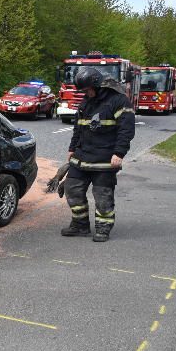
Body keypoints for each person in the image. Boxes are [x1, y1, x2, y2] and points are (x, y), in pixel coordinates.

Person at [61, 67, 135, 242]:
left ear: (97, 85)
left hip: (105, 159)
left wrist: (119, 153)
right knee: (72, 189)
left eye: (87, 90)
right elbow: (78, 128)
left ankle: (103, 227)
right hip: (82, 156)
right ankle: (80, 225)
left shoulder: (118, 101)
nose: (85, 93)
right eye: (83, 91)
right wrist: (72, 149)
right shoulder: (86, 102)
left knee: (102, 195)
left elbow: (126, 129)